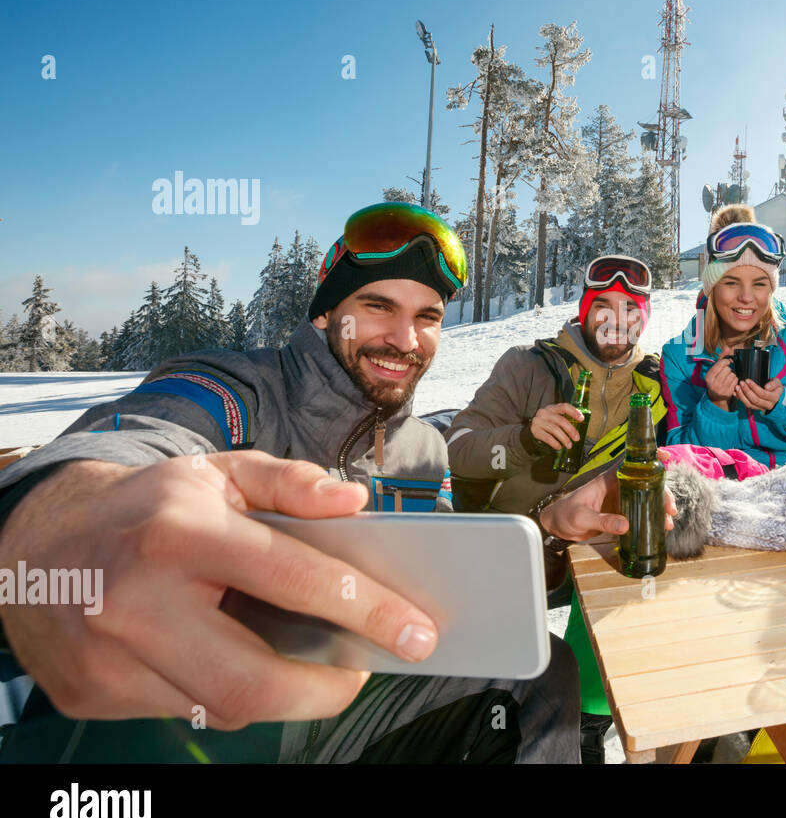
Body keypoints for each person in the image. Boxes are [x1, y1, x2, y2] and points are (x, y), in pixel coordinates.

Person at [0, 202, 661, 764]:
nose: (404, 337)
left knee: (543, 669)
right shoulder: (239, 392)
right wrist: (70, 516)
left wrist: (548, 527)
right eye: (378, 306)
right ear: (324, 313)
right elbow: (139, 436)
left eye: (427, 316)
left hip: (350, 713)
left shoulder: (420, 450)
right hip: (181, 722)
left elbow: (458, 600)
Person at [446, 255, 667, 763]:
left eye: (630, 308)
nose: (616, 319)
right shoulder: (529, 364)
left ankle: (590, 724)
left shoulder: (652, 388)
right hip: (511, 548)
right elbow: (457, 446)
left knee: (646, 565)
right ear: (584, 310)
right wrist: (523, 439)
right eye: (603, 305)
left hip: (589, 552)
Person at [660, 204, 786, 469]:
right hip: (724, 491)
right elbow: (677, 456)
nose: (746, 297)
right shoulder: (678, 355)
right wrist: (716, 406)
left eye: (759, 283)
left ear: (772, 288)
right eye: (731, 282)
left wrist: (783, 405)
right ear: (711, 288)